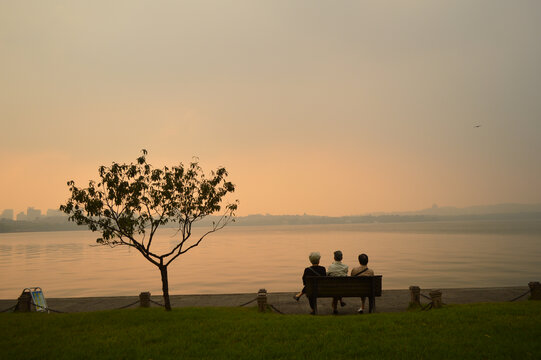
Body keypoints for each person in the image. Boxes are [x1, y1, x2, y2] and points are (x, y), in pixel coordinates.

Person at [327, 250, 348, 314]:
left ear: (334, 258)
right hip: (343, 288)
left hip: (332, 289)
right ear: (341, 258)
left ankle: (335, 308)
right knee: (339, 285)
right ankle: (340, 302)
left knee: (335, 287)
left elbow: (327, 275)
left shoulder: (331, 267)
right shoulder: (345, 267)